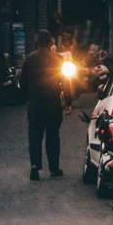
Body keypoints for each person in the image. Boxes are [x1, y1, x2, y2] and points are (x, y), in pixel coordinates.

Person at [20, 29, 72, 180]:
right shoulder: (58, 59)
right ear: (50, 43)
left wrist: (27, 99)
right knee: (53, 136)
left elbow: (23, 82)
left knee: (35, 136)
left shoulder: (29, 59)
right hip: (53, 103)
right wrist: (68, 101)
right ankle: (54, 168)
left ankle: (35, 165)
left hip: (35, 104)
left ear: (36, 42)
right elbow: (65, 80)